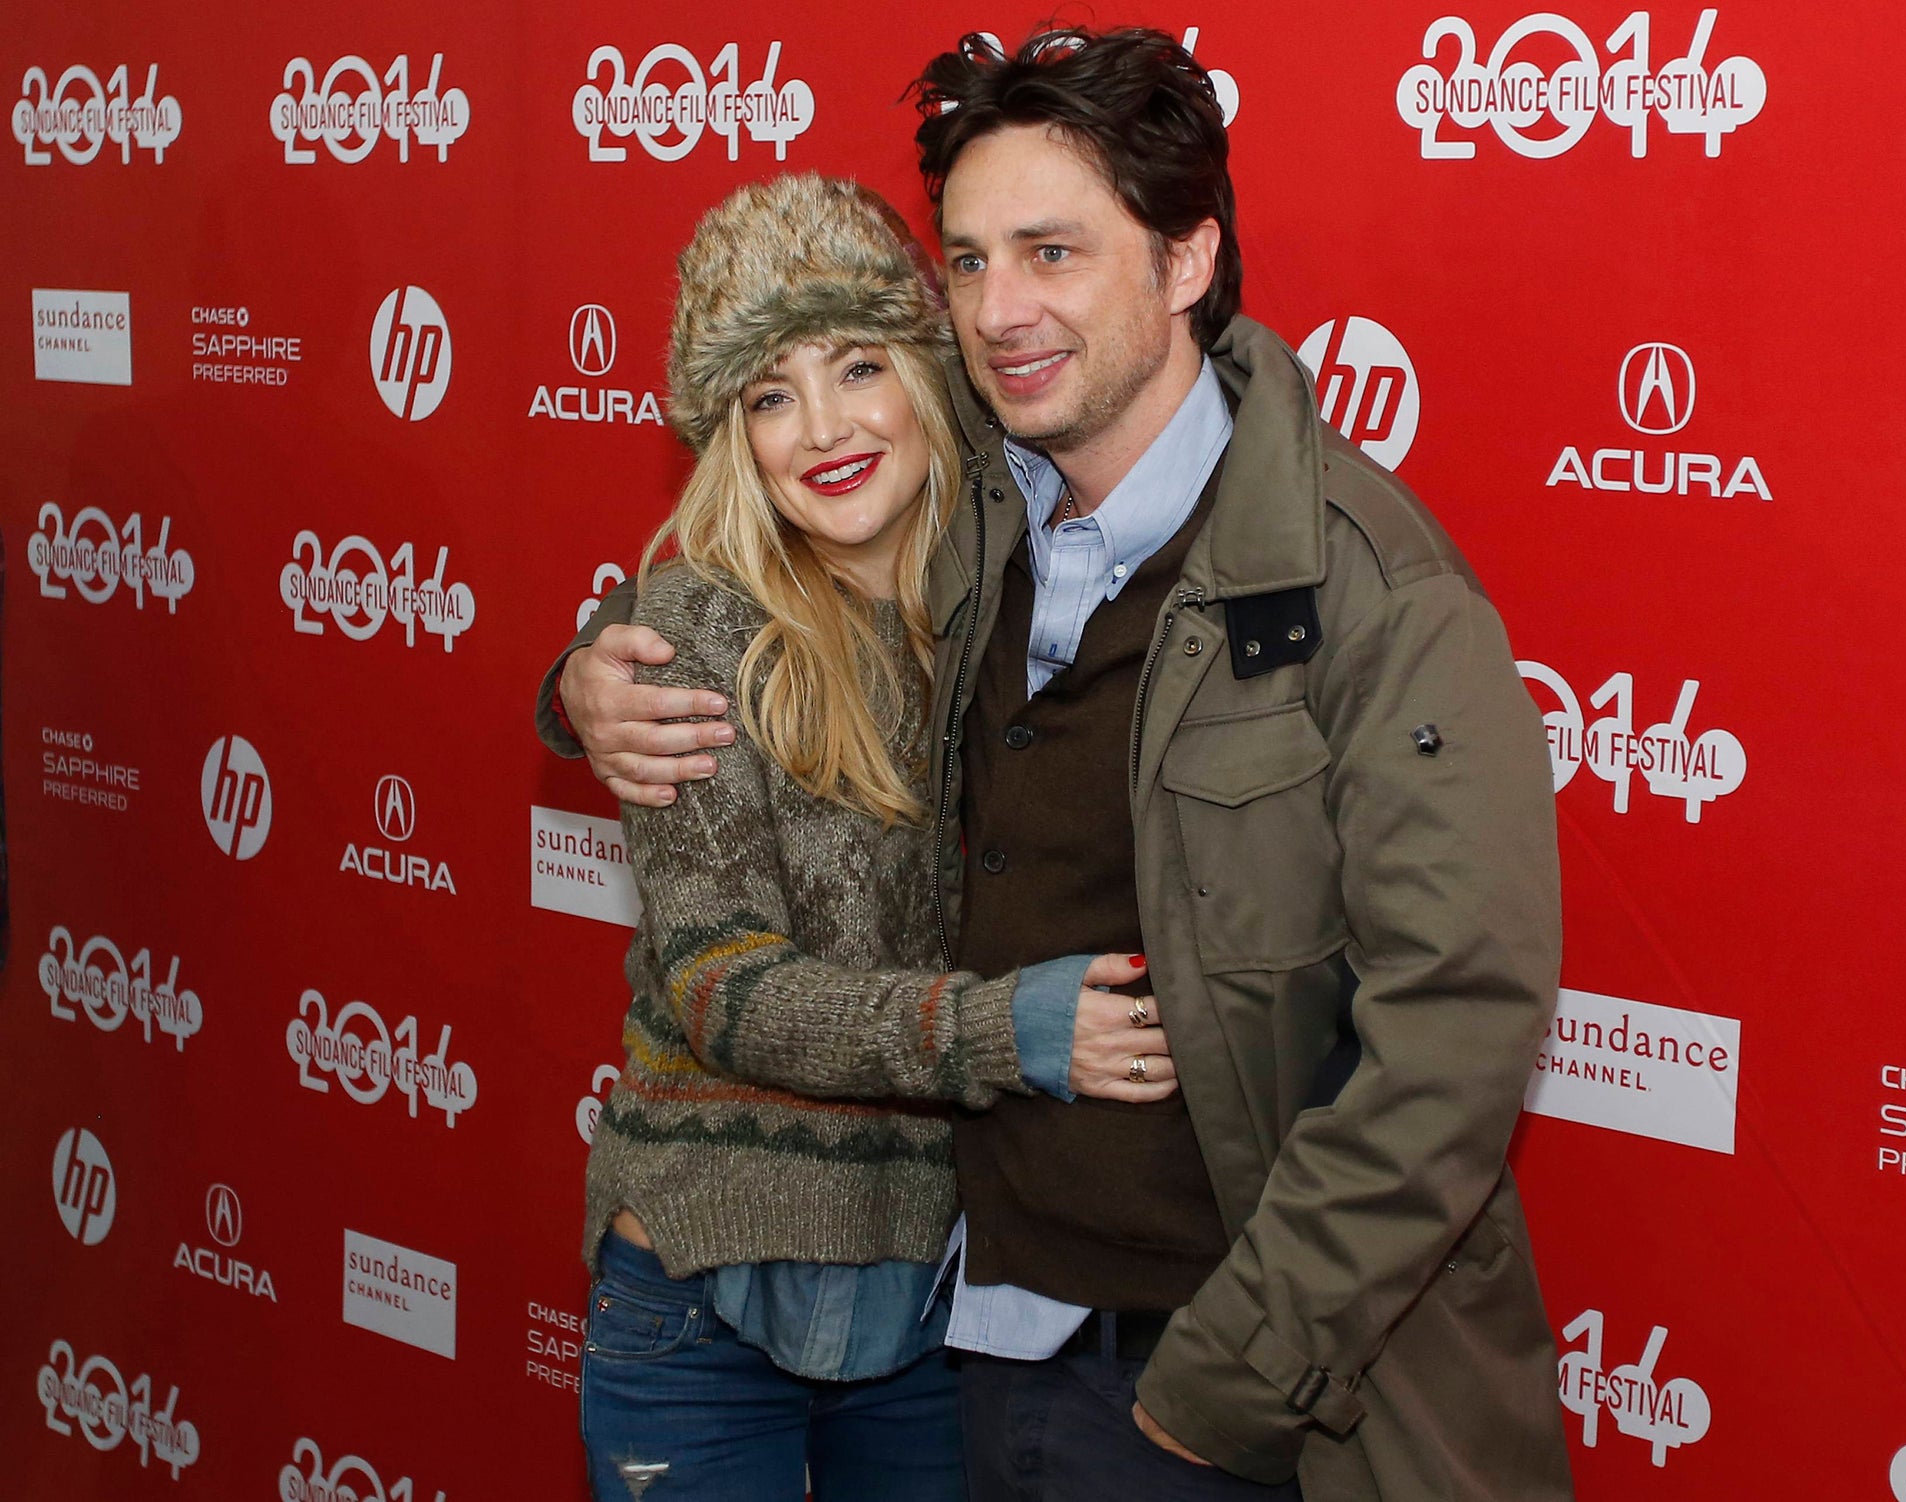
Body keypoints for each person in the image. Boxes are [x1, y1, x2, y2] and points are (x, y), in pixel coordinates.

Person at [543, 28, 1574, 1502]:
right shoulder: (984, 514)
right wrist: (588, 676)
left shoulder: (1367, 588)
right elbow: (743, 572)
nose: (1001, 310)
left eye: (1050, 251)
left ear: (1186, 258)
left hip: (1219, 1395)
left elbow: (1454, 1032)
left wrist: (1225, 1380)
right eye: (965, 262)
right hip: (965, 1358)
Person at [577, 173, 1184, 1502]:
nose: (825, 428)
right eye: (769, 393)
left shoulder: (1016, 611)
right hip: (701, 1289)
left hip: (936, 1298)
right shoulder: (696, 627)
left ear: (930, 373)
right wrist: (1004, 1030)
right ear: (731, 436)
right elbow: (719, 984)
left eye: (858, 365)